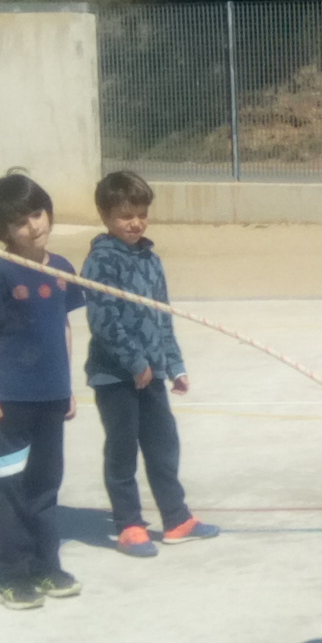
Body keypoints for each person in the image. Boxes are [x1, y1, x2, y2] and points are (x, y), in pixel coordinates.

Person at [0, 173, 84, 612]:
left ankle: (46, 566)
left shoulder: (62, 268)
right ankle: (12, 574)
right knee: (9, 490)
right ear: (4, 231)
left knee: (45, 486)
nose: (33, 226)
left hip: (51, 400)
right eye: (19, 222)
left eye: (37, 213)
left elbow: (63, 326)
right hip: (8, 406)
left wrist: (67, 386)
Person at [82, 169, 217, 557]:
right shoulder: (101, 261)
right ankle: (129, 524)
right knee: (122, 449)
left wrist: (174, 364)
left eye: (141, 214)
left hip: (152, 373)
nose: (136, 223)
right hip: (115, 377)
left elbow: (163, 316)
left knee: (163, 445)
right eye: (126, 216)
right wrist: (134, 362)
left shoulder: (151, 260)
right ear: (106, 216)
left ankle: (176, 518)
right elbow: (103, 320)